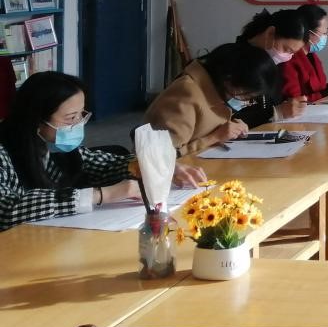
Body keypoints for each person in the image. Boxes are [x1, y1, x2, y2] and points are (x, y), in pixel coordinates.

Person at [1, 72, 206, 231]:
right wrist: (101, 195)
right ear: (37, 119)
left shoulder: (45, 142)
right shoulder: (5, 151)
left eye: (81, 115)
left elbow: (97, 163)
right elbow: (8, 210)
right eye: (70, 118)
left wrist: (156, 165)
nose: (78, 124)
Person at [144, 42, 281, 156]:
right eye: (247, 96)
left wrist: (232, 127)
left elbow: (205, 123)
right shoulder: (186, 94)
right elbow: (162, 157)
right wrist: (214, 137)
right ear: (229, 79)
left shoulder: (216, 89)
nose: (247, 102)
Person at [234, 9, 309, 127]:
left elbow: (274, 102)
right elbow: (228, 119)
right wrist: (276, 112)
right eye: (287, 49)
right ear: (270, 33)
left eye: (292, 53)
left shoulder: (273, 65)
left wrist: (290, 106)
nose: (287, 57)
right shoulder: (234, 63)